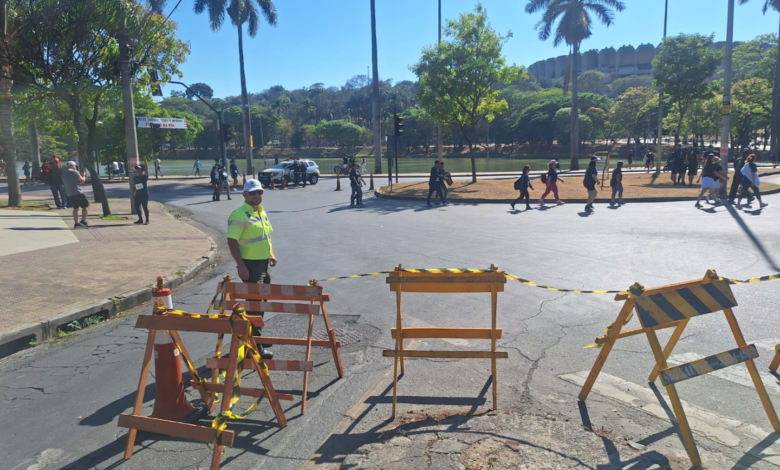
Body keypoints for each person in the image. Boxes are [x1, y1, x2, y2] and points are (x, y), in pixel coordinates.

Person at [227, 179, 275, 360]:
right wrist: (241, 266)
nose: (257, 196)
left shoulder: (261, 212)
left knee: (261, 301)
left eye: (259, 192)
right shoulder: (239, 215)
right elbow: (232, 241)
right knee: (254, 305)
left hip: (263, 264)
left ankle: (258, 336)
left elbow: (265, 236)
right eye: (253, 193)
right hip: (250, 266)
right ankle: (254, 347)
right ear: (245, 195)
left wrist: (271, 254)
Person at [62, 161, 89, 228]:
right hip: (78, 192)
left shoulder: (64, 173)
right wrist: (84, 175)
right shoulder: (74, 172)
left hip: (69, 193)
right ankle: (83, 221)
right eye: (75, 166)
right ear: (72, 166)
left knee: (75, 208)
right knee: (86, 206)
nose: (75, 167)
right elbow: (82, 181)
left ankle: (76, 223)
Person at [133, 159, 150, 225]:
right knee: (136, 206)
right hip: (138, 194)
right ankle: (140, 219)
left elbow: (146, 170)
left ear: (142, 170)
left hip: (144, 194)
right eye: (137, 169)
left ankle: (147, 220)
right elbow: (134, 186)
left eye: (139, 169)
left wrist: (145, 162)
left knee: (145, 207)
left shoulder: (144, 177)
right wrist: (133, 194)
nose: (137, 170)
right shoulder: (135, 177)